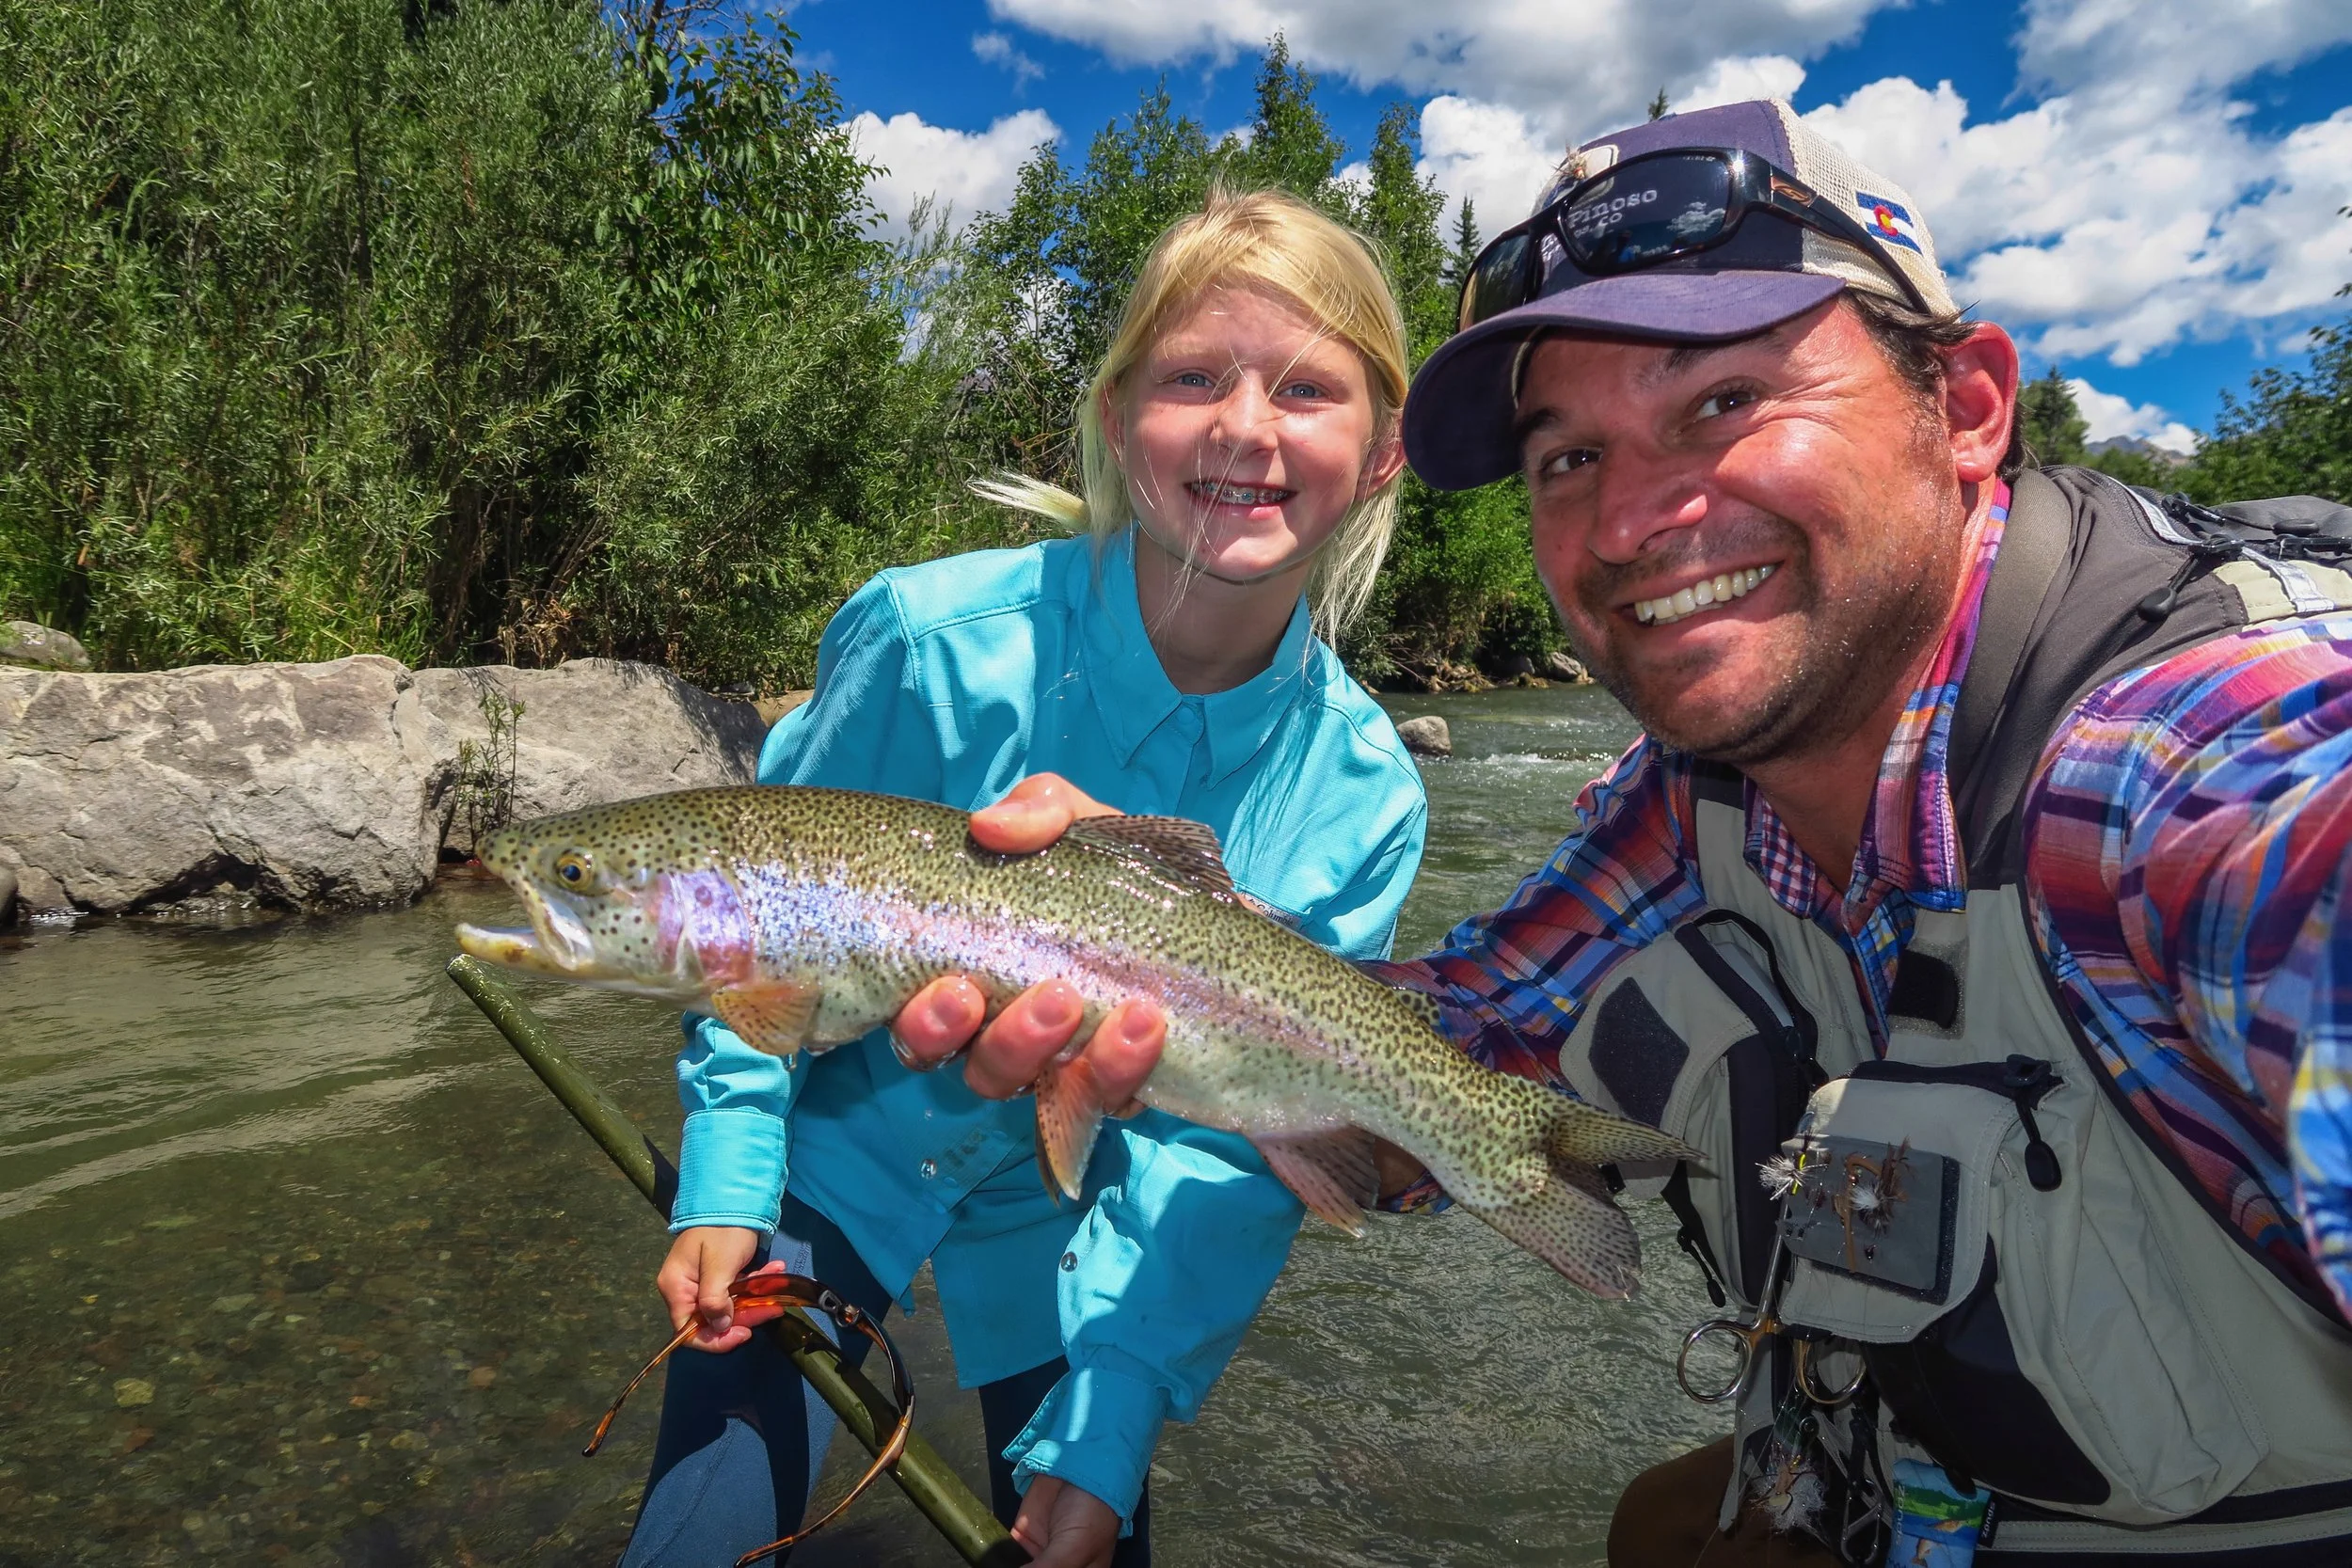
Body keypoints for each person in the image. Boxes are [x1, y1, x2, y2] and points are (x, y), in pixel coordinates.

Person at [883, 100, 2352, 1566]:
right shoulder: (1697, 794)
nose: (1634, 516)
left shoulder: (2190, 765)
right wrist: (1154, 944)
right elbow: (1456, 1035)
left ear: (1967, 409)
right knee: (1665, 1529)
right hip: (1897, 1481)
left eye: (1722, 403)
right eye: (1567, 455)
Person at [619, 186, 1428, 1568]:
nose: (1246, 425)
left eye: (1306, 388)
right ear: (1118, 420)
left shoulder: (1365, 796)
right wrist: (730, 1171)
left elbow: (1220, 1165)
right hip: (834, 1155)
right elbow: (748, 903)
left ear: (1385, 455)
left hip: (1081, 1229)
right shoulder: (926, 640)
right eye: (1192, 377)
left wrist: (1108, 1420)